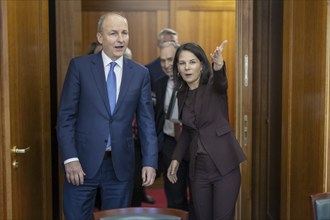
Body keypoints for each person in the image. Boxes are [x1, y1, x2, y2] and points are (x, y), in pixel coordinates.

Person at [57, 12, 158, 220]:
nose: (120, 39)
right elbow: (65, 118)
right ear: (100, 38)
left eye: (124, 33)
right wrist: (70, 158)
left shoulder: (140, 73)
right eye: (113, 33)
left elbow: (147, 122)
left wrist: (150, 161)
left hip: (119, 166)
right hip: (81, 165)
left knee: (116, 219)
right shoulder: (80, 67)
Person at [167, 41, 247, 220]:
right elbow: (188, 131)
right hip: (198, 170)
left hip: (224, 168)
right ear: (177, 68)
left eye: (192, 62)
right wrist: (176, 158)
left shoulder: (213, 87)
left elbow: (222, 82)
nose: (187, 68)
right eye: (182, 63)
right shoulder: (182, 93)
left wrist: (218, 65)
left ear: (202, 65)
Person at [153, 41, 194, 216]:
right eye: (162, 60)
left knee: (198, 196)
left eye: (170, 59)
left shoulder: (194, 81)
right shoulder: (158, 84)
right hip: (170, 144)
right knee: (174, 197)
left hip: (194, 144)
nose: (166, 65)